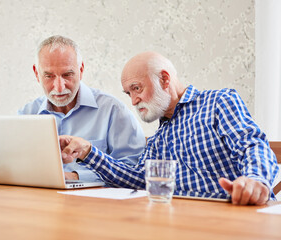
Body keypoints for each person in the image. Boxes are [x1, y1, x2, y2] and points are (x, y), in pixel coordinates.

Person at [60, 51, 279, 205]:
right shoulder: (158, 140)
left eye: (137, 88)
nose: (134, 101)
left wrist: (256, 179)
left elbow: (252, 144)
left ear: (164, 79)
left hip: (241, 214)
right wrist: (88, 152)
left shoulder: (218, 102)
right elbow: (137, 179)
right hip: (187, 223)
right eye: (129, 94)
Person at [18, 35, 146, 182]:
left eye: (67, 75)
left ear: (81, 70)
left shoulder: (113, 111)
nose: (59, 87)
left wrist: (76, 177)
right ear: (36, 74)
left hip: (95, 203)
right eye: (49, 76)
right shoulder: (26, 114)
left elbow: (134, 171)